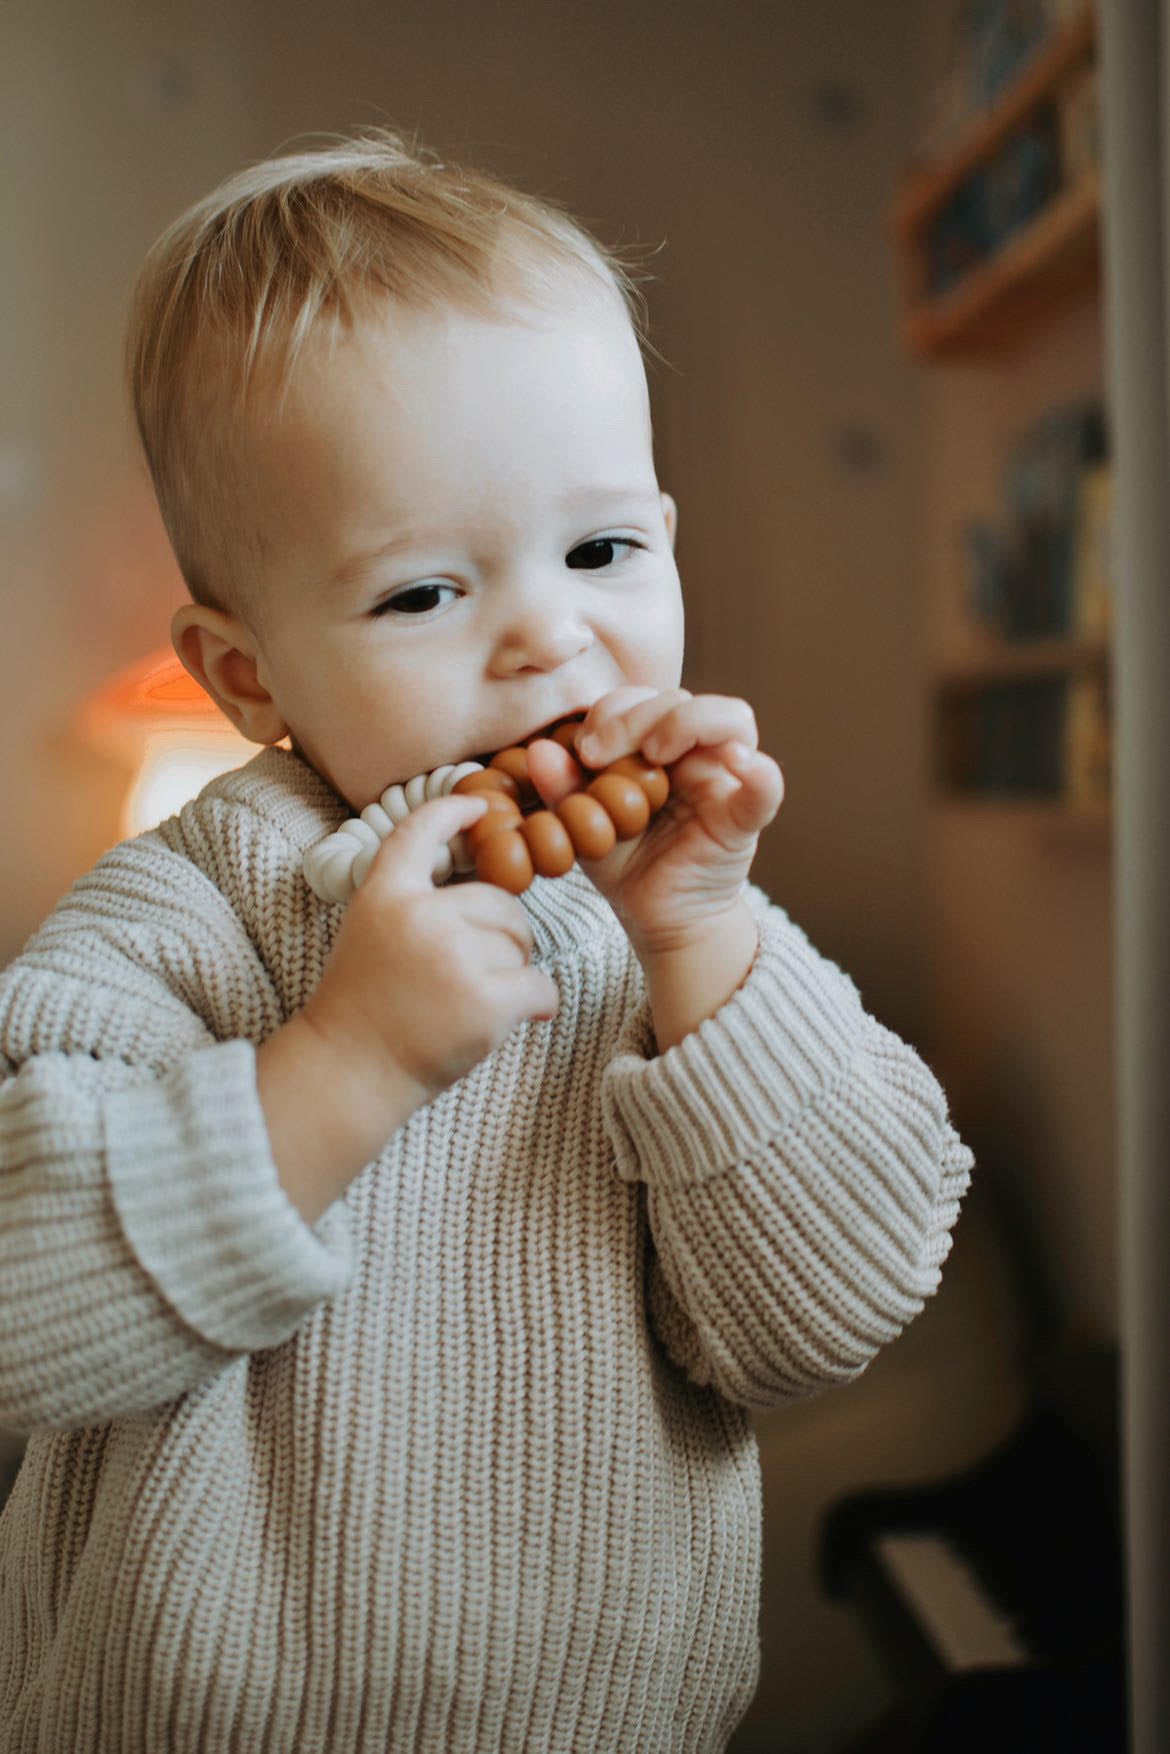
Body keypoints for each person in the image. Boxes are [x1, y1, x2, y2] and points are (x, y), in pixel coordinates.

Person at [0, 127, 973, 1753]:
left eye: (601, 552)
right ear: (246, 678)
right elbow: (26, 1293)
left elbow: (829, 1313)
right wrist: (343, 1063)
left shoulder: (666, 920)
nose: (550, 635)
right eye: (423, 594)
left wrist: (707, 936)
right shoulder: (193, 914)